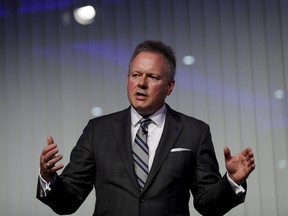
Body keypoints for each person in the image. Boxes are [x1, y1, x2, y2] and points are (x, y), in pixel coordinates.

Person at [37, 40, 255, 216]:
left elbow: (208, 205)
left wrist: (232, 182)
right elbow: (68, 201)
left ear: (170, 87)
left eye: (152, 77)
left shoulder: (194, 132)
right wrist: (49, 179)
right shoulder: (98, 130)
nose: (141, 83)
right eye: (135, 75)